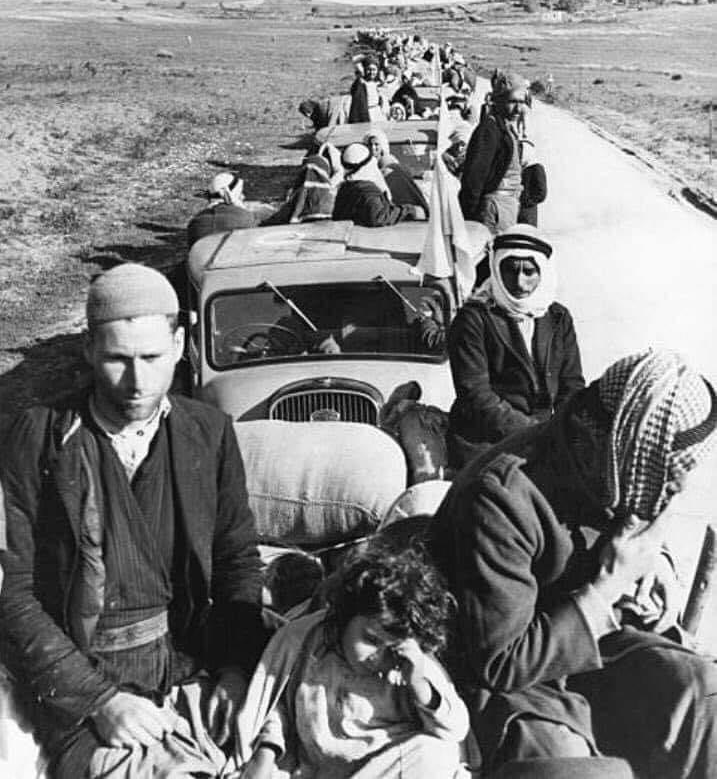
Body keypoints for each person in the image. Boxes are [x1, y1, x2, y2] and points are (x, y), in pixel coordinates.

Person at [0, 263, 268, 778]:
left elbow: (236, 559)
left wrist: (236, 668)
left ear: (180, 344)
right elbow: (11, 590)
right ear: (87, 349)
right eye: (117, 360)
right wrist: (99, 700)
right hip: (83, 678)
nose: (137, 381)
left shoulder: (207, 432)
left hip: (188, 662)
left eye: (151, 358)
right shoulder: (36, 438)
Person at [429, 349, 717, 777]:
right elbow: (500, 663)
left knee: (702, 693)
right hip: (510, 679)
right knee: (575, 768)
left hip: (589, 645)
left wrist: (654, 564)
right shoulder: (501, 496)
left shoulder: (615, 466)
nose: (676, 487)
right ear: (612, 446)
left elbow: (639, 516)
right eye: (668, 473)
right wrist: (610, 584)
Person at [235, 544, 469, 778]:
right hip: (313, 771)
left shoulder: (410, 666)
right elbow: (276, 705)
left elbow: (455, 731)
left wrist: (418, 685)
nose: (377, 657)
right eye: (370, 639)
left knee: (436, 755)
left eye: (392, 649)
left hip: (386, 770)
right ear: (346, 614)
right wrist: (266, 753)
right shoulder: (305, 641)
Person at [447, 225, 584, 466]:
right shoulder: (474, 318)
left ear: (543, 272)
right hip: (486, 442)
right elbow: (477, 397)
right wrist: (537, 434)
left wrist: (566, 432)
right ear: (496, 269)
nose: (520, 282)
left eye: (529, 272)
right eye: (510, 270)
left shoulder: (558, 317)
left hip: (545, 438)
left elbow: (571, 386)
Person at [459, 71, 529, 234]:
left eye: (522, 102)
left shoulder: (506, 127)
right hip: (494, 210)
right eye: (512, 101)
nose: (518, 108)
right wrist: (470, 218)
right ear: (499, 100)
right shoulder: (490, 130)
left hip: (507, 208)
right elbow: (474, 177)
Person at [333, 143, 425, 227]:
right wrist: (411, 210)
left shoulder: (346, 187)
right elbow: (378, 217)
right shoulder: (367, 191)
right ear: (369, 165)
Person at [187, 172, 272, 247]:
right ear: (232, 195)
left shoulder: (195, 222)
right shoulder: (248, 220)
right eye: (240, 193)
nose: (243, 197)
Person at [349, 57, 387, 123]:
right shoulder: (361, 84)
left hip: (378, 112)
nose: (371, 72)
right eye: (369, 69)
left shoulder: (378, 83)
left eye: (374, 70)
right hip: (367, 113)